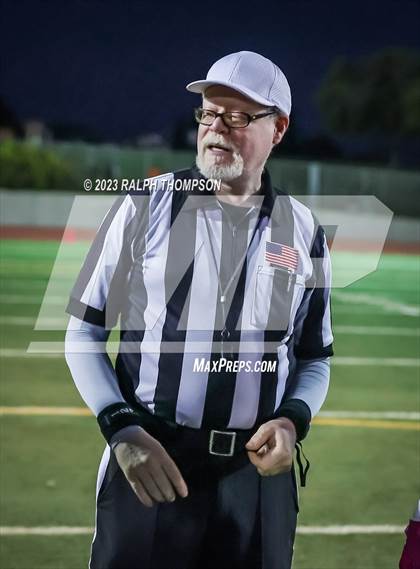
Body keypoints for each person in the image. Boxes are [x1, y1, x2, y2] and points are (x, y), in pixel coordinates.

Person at [65, 50, 333, 569]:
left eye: (238, 117)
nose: (216, 129)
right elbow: (84, 332)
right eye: (209, 114)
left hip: (257, 478)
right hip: (153, 460)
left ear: (278, 129)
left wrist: (293, 420)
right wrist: (121, 428)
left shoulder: (304, 230)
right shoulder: (143, 205)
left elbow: (314, 356)